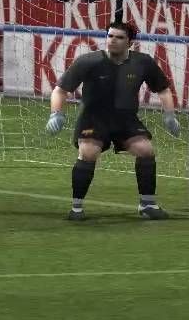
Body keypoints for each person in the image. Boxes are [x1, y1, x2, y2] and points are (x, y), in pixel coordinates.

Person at [44, 21, 180, 221]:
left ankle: (148, 205)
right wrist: (56, 114)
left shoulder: (143, 62)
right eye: (110, 36)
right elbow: (60, 90)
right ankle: (76, 208)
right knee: (88, 153)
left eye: (119, 37)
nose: (113, 40)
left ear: (130, 43)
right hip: (93, 118)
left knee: (146, 150)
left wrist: (169, 114)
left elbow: (163, 90)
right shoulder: (88, 61)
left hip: (125, 119)